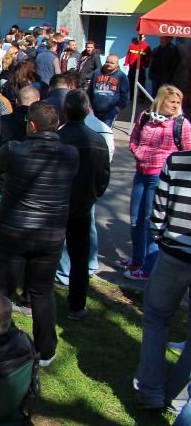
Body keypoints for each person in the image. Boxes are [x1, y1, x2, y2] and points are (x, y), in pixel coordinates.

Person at [0, 102, 78, 367]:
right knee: (42, 291)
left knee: (3, 288)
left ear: (32, 125)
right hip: (50, 233)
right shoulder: (70, 154)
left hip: (14, 230)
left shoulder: (15, 149)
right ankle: (46, 349)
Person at [134, 148, 191, 412]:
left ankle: (151, 392)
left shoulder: (178, 161)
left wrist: (162, 239)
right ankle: (175, 397)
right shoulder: (177, 160)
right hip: (172, 252)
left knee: (156, 320)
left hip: (173, 254)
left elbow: (158, 214)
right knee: (156, 318)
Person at [123, 85, 191, 280]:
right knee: (135, 219)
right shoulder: (146, 117)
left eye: (178, 102)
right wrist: (137, 151)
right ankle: (137, 259)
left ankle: (149, 268)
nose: (175, 105)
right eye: (172, 101)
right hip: (141, 173)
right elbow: (134, 137)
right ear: (161, 101)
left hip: (160, 177)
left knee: (150, 221)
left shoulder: (182, 124)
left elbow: (187, 153)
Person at [55, 90, 111, 320]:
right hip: (80, 205)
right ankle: (76, 304)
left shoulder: (58, 137)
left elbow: (102, 176)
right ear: (87, 110)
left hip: (60, 204)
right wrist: (91, 197)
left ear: (66, 111)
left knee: (50, 253)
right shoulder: (97, 139)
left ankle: (34, 296)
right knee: (79, 257)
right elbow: (103, 176)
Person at [0, 86, 41, 288]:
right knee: (18, 234)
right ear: (37, 101)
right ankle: (12, 278)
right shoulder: (38, 126)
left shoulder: (2, 122)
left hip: (0, 185)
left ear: (17, 101)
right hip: (24, 189)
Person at [89, 53, 129, 127]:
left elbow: (125, 96)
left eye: (112, 63)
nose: (109, 64)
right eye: (107, 62)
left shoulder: (121, 76)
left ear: (117, 64)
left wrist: (116, 109)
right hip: (94, 111)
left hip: (109, 113)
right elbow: (90, 90)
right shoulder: (97, 73)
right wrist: (89, 106)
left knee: (105, 132)